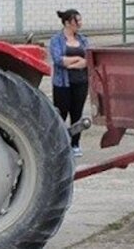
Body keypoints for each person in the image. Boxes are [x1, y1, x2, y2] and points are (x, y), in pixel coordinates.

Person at [49, 9, 89, 157]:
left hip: (81, 82)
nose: (79, 23)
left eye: (80, 20)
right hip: (62, 84)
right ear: (67, 23)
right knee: (61, 114)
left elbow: (88, 60)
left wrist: (73, 64)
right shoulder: (56, 40)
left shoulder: (83, 40)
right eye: (76, 21)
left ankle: (75, 144)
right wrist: (78, 60)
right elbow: (58, 60)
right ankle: (57, 144)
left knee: (77, 114)